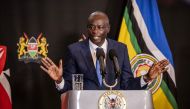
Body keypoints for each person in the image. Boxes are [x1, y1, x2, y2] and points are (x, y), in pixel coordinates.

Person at [40, 11, 169, 93]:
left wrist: (147, 77)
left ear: (108, 28)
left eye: (100, 27)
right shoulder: (74, 50)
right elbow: (68, 88)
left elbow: (126, 84)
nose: (95, 31)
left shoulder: (120, 49)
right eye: (91, 27)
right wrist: (59, 80)